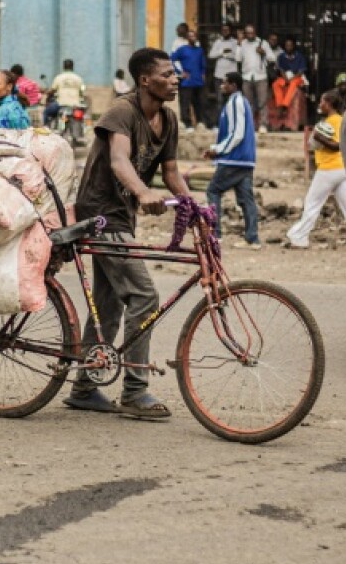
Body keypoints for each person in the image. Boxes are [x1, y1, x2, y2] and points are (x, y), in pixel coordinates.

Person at [67, 47, 191, 419]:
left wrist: (193, 205)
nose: (175, 80)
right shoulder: (122, 111)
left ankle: (84, 387)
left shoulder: (167, 120)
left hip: (123, 216)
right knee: (143, 295)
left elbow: (170, 172)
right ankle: (136, 391)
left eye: (175, 74)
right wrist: (142, 192)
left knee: (107, 304)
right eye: (167, 74)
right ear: (144, 80)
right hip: (101, 214)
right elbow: (119, 159)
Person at [286, 90, 346, 249]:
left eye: (322, 102)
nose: (320, 105)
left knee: (312, 203)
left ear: (329, 104)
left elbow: (337, 146)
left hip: (329, 169)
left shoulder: (332, 122)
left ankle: (299, 237)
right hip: (342, 169)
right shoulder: (340, 120)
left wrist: (319, 138)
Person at [204, 71, 260, 248]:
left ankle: (216, 234)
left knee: (213, 191)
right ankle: (253, 238)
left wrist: (217, 150)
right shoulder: (240, 102)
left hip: (234, 158)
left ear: (233, 85)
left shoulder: (235, 102)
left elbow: (237, 133)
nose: (222, 86)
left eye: (225, 83)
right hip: (245, 159)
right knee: (246, 198)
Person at [236, 24, 274, 131]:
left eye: (251, 32)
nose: (250, 35)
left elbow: (272, 58)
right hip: (247, 76)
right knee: (248, 103)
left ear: (255, 32)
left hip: (260, 76)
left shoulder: (263, 43)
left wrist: (263, 52)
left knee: (262, 102)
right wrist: (238, 44)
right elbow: (237, 58)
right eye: (247, 33)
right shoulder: (242, 44)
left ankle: (263, 124)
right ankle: (250, 124)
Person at [270, 38, 309, 132]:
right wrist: (285, 78)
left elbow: (301, 71)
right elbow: (281, 70)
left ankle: (285, 105)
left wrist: (292, 78)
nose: (289, 47)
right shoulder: (281, 56)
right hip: (285, 77)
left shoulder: (300, 56)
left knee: (293, 84)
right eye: (287, 45)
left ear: (294, 46)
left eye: (290, 45)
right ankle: (279, 104)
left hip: (297, 78)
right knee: (276, 84)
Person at [171, 33, 206, 132]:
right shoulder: (182, 49)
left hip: (198, 81)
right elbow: (172, 59)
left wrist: (203, 74)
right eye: (190, 36)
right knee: (185, 103)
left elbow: (203, 64)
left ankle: (199, 122)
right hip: (187, 81)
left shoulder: (199, 50)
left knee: (199, 103)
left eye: (194, 36)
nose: (192, 38)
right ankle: (187, 124)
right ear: (187, 38)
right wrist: (180, 72)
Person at [207, 23, 239, 121]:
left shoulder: (235, 42)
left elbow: (237, 56)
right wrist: (222, 52)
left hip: (231, 76)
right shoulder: (218, 42)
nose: (225, 32)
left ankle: (233, 121)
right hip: (219, 75)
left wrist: (227, 55)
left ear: (230, 31)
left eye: (227, 30)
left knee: (232, 99)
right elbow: (211, 55)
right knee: (220, 100)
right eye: (223, 30)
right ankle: (221, 122)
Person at [45, 59, 86, 124]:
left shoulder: (59, 77)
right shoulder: (78, 78)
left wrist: (48, 94)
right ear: (72, 67)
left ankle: (46, 128)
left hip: (60, 104)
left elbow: (52, 90)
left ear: (63, 67)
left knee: (46, 112)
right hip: (75, 105)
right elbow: (82, 91)